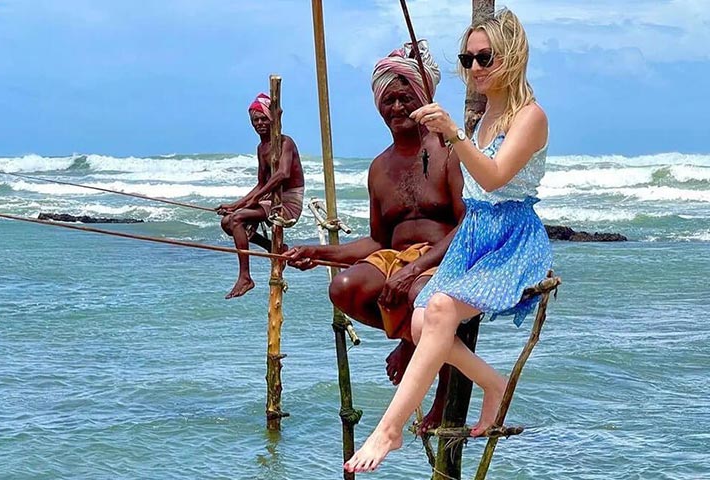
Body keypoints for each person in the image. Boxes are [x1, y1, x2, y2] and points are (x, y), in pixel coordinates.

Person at [345, 9, 553, 473]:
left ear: (512, 56)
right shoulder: (484, 117)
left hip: (511, 238)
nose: (475, 68)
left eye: (485, 57)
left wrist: (454, 135)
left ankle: (389, 428)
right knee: (420, 323)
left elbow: (496, 178)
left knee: (438, 312)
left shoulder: (530, 116)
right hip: (474, 235)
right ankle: (493, 384)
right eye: (468, 59)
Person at [284, 41, 465, 430]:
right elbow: (378, 243)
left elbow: (470, 226)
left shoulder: (450, 150)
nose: (397, 107)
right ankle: (413, 339)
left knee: (423, 298)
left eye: (405, 97)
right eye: (388, 100)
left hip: (443, 257)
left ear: (424, 93)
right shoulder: (379, 168)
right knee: (344, 289)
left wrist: (415, 268)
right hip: (396, 258)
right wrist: (317, 252)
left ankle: (440, 395)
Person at [216, 93, 305, 299]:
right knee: (228, 221)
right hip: (271, 198)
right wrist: (235, 204)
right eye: (255, 120)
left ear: (272, 118)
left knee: (238, 219)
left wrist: (254, 201)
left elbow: (283, 174)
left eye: (263, 118)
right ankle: (274, 248)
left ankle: (245, 277)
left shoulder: (285, 142)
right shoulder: (261, 148)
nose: (259, 123)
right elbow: (262, 184)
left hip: (288, 202)